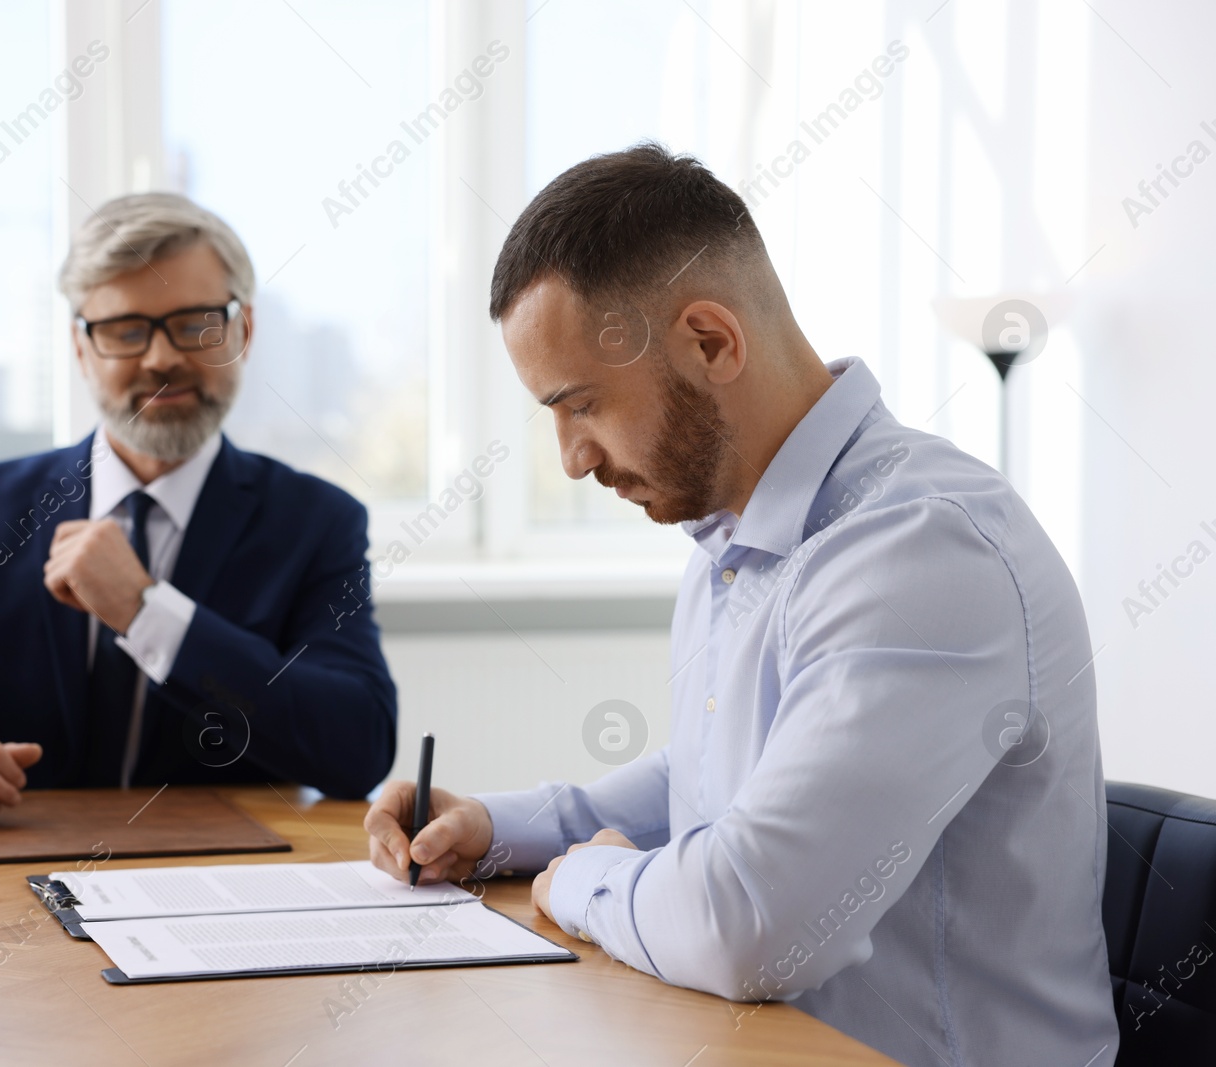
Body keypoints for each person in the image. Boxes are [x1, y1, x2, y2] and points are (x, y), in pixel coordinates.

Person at [365, 144, 1117, 1066]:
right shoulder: (734, 538)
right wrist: (499, 829)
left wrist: (585, 880)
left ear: (712, 342)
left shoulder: (923, 550)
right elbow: (718, 778)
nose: (571, 457)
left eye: (581, 405)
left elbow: (757, 925)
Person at [0, 193, 396, 824]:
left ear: (243, 332)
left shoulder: (316, 522)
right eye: (125, 331)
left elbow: (356, 744)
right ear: (80, 348)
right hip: (9, 882)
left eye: (196, 323)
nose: (161, 358)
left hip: (218, 883)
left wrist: (148, 613)